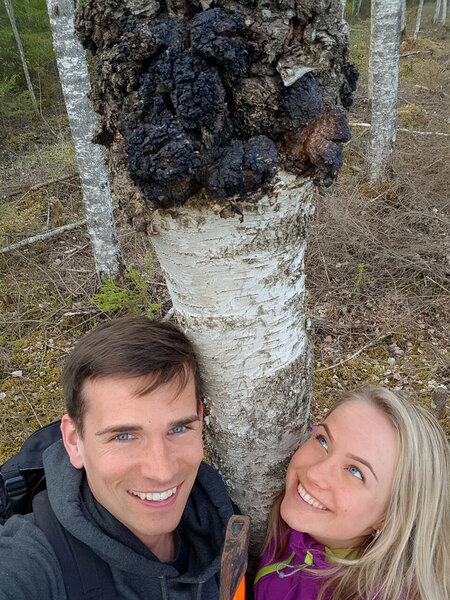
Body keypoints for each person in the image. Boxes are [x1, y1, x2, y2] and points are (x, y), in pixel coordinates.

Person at [0, 316, 239, 599]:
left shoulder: (226, 521)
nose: (161, 472)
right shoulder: (33, 563)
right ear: (74, 441)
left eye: (178, 428)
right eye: (123, 436)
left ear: (200, 421)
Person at [254, 386, 449, 600]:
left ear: (389, 516)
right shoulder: (311, 519)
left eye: (356, 471)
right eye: (323, 440)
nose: (314, 473)